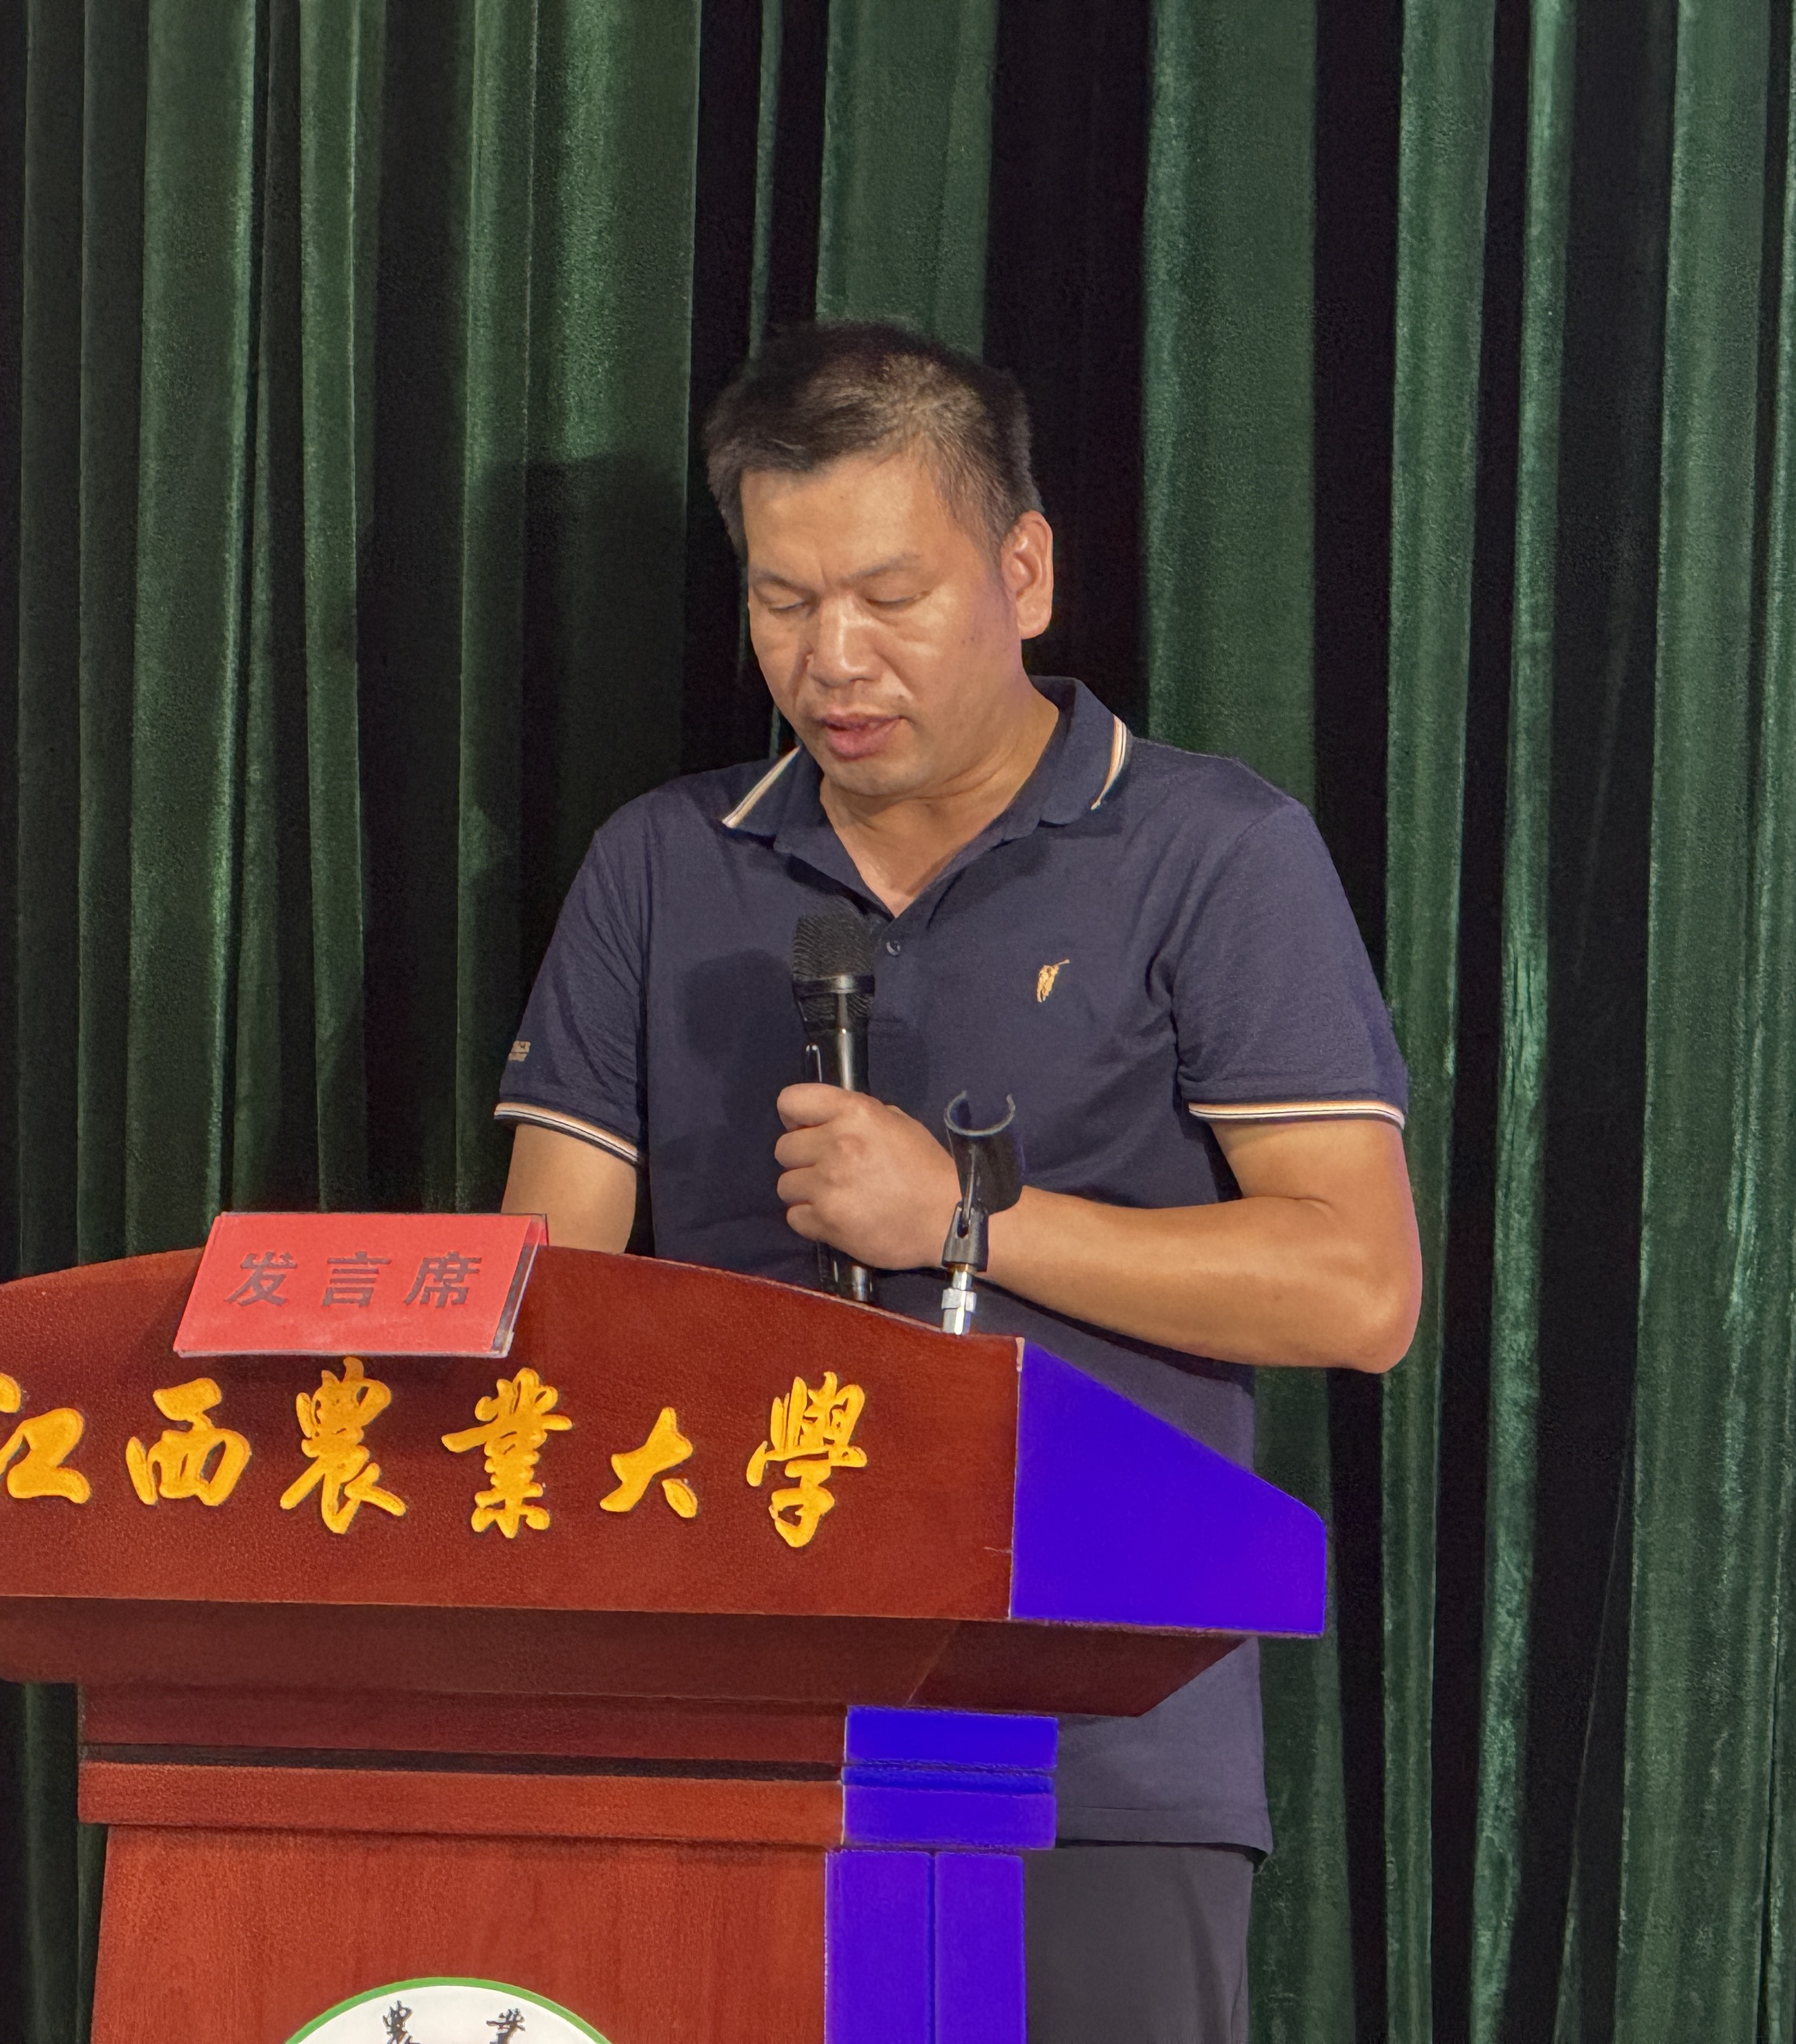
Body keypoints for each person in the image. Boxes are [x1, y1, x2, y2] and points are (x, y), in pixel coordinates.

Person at [494, 320, 1421, 2043]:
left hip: (1099, 1741)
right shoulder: (662, 862)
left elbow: (1359, 1291)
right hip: (731, 1732)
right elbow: (544, 1291)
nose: (832, 659)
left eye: (889, 597)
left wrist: (968, 1224)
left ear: (1025, 572)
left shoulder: (1210, 853)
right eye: (783, 601)